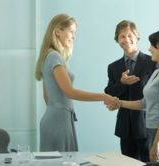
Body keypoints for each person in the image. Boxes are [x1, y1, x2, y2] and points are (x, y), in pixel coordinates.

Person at [35, 13, 116, 152]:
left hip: (55, 118)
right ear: (58, 31)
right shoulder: (54, 56)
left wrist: (57, 110)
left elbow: (46, 95)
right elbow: (70, 92)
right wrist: (103, 96)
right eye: (71, 31)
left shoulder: (49, 55)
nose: (74, 36)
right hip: (59, 121)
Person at [109, 30, 159, 162]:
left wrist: (156, 143)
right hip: (152, 130)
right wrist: (119, 103)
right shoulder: (158, 72)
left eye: (152, 45)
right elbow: (144, 103)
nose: (149, 49)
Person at [104, 20, 157, 162]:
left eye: (129, 35)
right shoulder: (114, 67)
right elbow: (109, 93)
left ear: (136, 36)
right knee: (127, 164)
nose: (126, 39)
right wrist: (122, 83)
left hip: (147, 125)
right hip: (125, 127)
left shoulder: (152, 62)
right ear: (117, 40)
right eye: (122, 36)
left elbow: (157, 94)